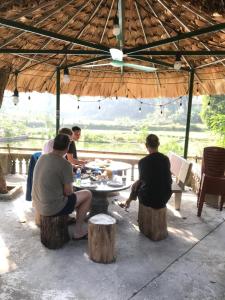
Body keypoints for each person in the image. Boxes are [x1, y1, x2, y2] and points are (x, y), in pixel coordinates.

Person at [32, 134, 92, 240]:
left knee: (76, 196)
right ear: (67, 147)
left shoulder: (42, 157)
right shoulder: (65, 164)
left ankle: (72, 218)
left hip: (37, 204)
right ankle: (78, 231)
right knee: (87, 194)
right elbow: (68, 192)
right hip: (52, 208)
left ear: (54, 145)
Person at [123, 134, 172, 209]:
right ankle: (128, 201)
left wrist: (137, 183)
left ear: (146, 145)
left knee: (137, 184)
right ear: (158, 144)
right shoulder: (165, 159)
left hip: (148, 199)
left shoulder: (143, 162)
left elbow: (142, 180)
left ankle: (128, 201)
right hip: (164, 198)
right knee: (140, 183)